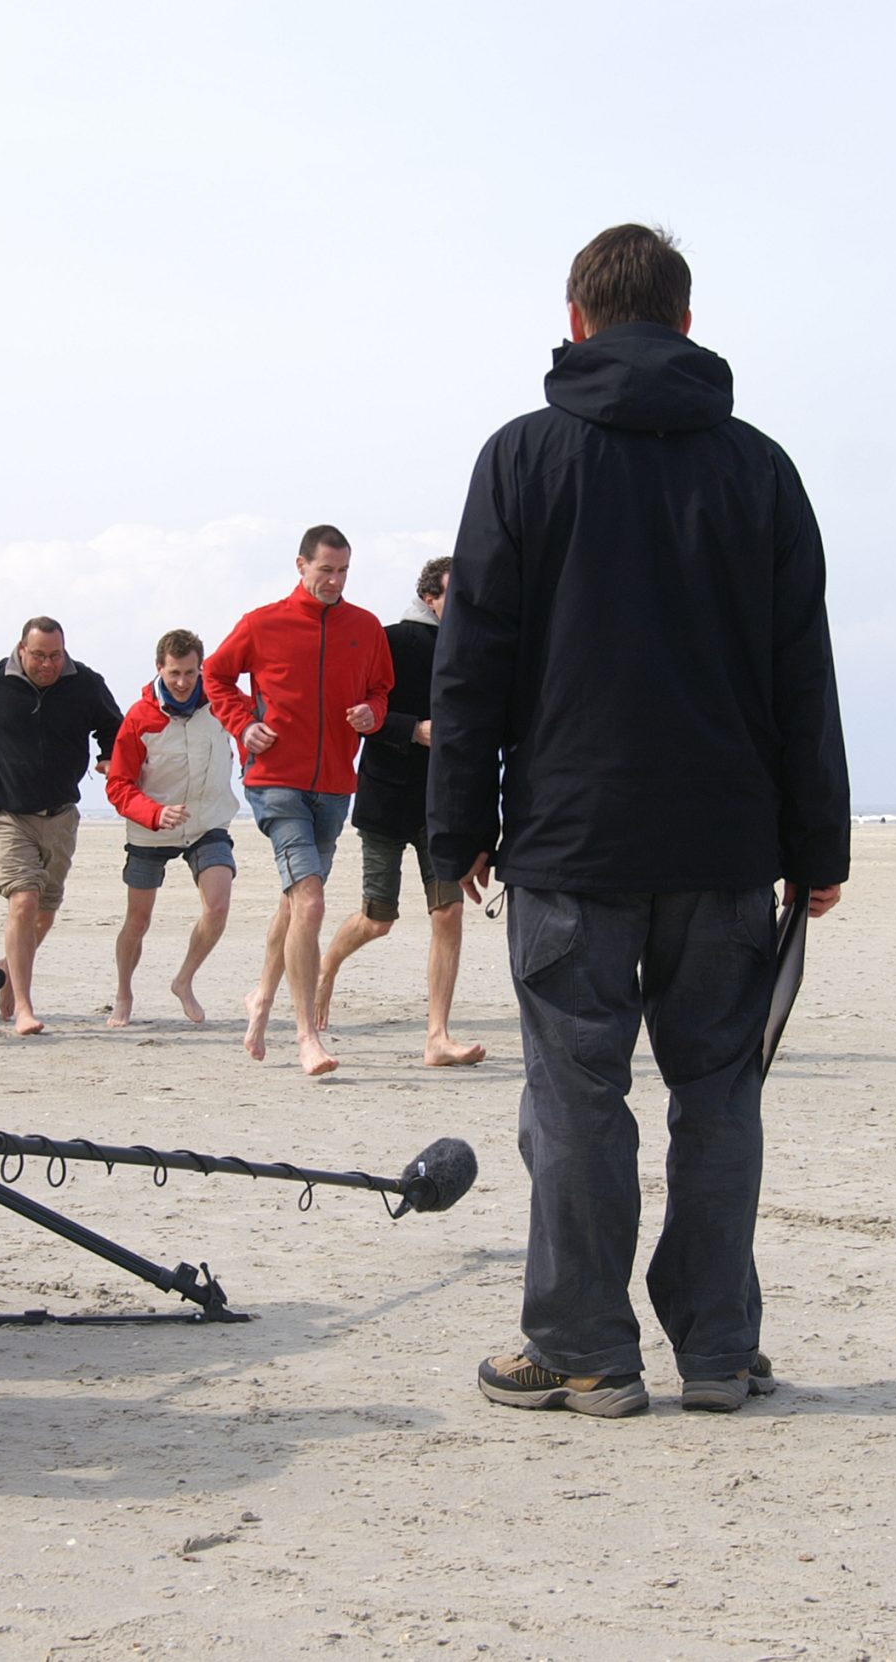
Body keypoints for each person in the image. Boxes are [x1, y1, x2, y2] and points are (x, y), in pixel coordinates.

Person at [429, 224, 852, 1418]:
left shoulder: (521, 458)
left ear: (575, 320)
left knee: (576, 1098)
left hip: (573, 842)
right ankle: (716, 1348)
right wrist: (819, 843)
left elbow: (472, 668)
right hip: (725, 847)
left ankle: (581, 1348)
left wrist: (454, 826)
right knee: (718, 1097)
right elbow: (799, 673)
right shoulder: (757, 467)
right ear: (681, 319)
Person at [203, 525, 395, 1077]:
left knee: (294, 905)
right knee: (310, 902)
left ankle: (260, 998)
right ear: (300, 566)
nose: (333, 581)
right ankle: (307, 1035)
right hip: (275, 782)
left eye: (342, 572)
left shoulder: (365, 628)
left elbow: (380, 690)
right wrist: (244, 724)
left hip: (335, 784)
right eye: (324, 571)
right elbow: (216, 677)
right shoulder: (262, 623)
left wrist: (372, 715)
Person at [313, 556, 484, 1068]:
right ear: (430, 596)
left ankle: (438, 1037)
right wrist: (412, 729)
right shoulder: (388, 638)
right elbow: (358, 711)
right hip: (387, 797)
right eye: (453, 594)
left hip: (443, 804)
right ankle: (327, 965)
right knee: (377, 919)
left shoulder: (474, 647)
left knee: (448, 913)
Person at [0, 619, 121, 1036]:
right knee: (24, 901)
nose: (48, 664)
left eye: (56, 655)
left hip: (61, 815)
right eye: (40, 655)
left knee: (44, 912)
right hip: (6, 812)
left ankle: (10, 969)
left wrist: (107, 757)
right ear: (21, 650)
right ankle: (24, 1007)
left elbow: (114, 727)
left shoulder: (85, 683)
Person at [102, 629, 238, 1026]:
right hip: (151, 829)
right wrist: (154, 813)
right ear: (160, 668)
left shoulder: (220, 704)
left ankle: (184, 980)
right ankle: (124, 993)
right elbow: (119, 786)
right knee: (138, 920)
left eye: (190, 673)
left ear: (201, 669)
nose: (182, 683)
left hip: (206, 823)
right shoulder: (140, 717)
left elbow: (258, 722)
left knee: (218, 905)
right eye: (175, 673)